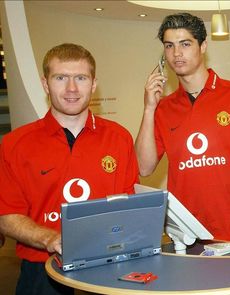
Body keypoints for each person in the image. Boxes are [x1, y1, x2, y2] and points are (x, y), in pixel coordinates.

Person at [0, 43, 139, 295]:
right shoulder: (15, 144)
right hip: (41, 270)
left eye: (81, 78)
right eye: (61, 78)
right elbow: (7, 216)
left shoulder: (119, 138)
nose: (72, 89)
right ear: (45, 84)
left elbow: (126, 207)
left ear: (93, 84)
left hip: (108, 268)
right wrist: (50, 239)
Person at [135, 13, 230, 241]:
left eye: (185, 44)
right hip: (186, 237)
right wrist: (149, 108)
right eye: (169, 46)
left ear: (203, 47)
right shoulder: (163, 108)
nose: (177, 53)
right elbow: (143, 167)